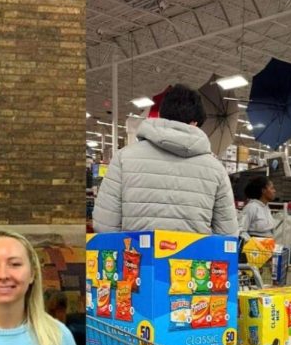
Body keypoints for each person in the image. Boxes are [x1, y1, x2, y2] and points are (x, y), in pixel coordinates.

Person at [93, 83, 239, 236]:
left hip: (136, 257)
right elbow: (228, 234)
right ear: (195, 123)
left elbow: (104, 225)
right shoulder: (216, 169)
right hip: (194, 258)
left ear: (162, 114)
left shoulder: (124, 158)